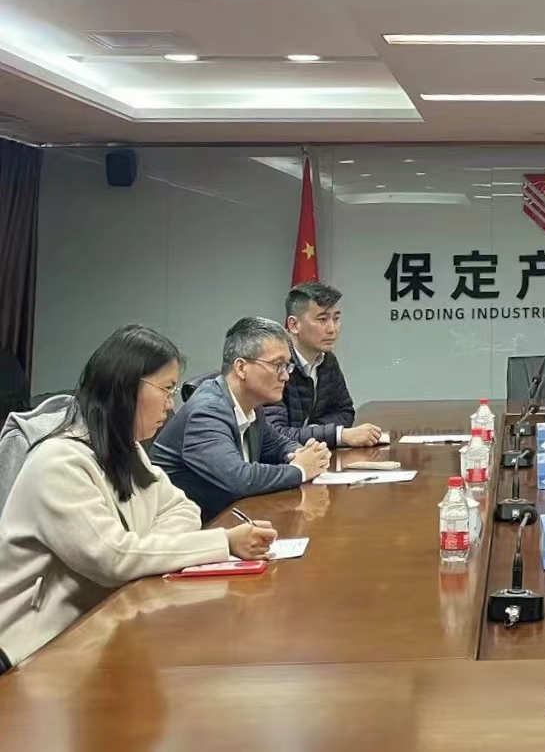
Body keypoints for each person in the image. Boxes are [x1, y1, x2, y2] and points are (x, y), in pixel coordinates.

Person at [0, 326, 277, 670]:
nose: (170, 404)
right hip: (30, 650)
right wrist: (224, 542)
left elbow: (183, 508)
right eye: (166, 388)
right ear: (127, 387)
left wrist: (144, 547)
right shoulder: (59, 462)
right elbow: (113, 559)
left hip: (94, 629)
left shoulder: (127, 451)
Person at [151, 318, 331, 523]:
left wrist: (303, 453)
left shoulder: (251, 405)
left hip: (230, 519)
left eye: (287, 366)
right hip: (189, 529)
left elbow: (277, 444)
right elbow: (238, 479)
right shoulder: (207, 411)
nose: (286, 376)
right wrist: (300, 470)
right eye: (277, 365)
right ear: (241, 367)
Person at [264, 282, 383, 449]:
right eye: (322, 319)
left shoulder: (327, 360)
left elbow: (344, 411)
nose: (332, 329)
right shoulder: (273, 364)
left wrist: (317, 432)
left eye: (336, 319)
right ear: (294, 325)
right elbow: (275, 434)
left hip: (313, 454)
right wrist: (338, 435)